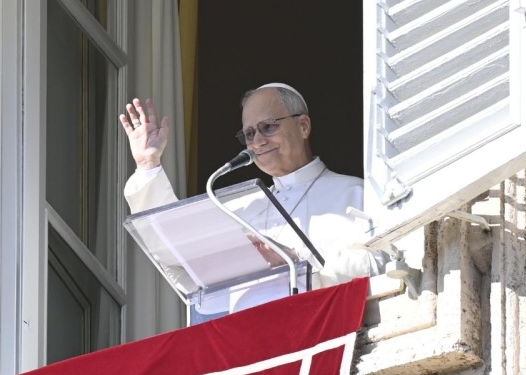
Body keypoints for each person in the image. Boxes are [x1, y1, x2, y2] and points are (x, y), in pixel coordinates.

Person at [119, 82, 385, 312]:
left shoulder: (356, 193)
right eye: (249, 134)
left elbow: (384, 263)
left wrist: (298, 261)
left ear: (303, 126)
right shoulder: (240, 209)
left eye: (268, 127)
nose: (257, 141)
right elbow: (178, 254)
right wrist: (148, 165)